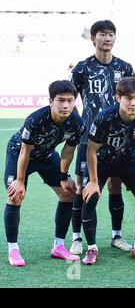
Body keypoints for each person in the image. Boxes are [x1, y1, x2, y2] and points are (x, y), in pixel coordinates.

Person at [70, 20, 135, 255]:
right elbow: (69, 97)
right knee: (82, 187)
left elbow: (133, 99)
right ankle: (77, 238)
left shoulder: (125, 67)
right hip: (90, 140)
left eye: (111, 34)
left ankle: (117, 236)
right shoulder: (82, 68)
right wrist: (81, 123)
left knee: (115, 186)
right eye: (102, 34)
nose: (107, 38)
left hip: (118, 140)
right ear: (93, 38)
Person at [4, 80, 85, 267]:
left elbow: (67, 151)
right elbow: (25, 151)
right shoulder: (36, 119)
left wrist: (64, 177)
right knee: (15, 196)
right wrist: (20, 181)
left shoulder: (76, 123)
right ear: (51, 101)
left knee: (68, 193)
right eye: (60, 100)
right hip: (20, 154)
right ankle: (13, 249)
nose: (65, 105)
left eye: (70, 100)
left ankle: (58, 246)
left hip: (47, 155)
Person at [80, 77, 135, 265]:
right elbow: (91, 150)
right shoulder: (104, 118)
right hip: (102, 162)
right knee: (90, 197)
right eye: (128, 98)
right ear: (118, 97)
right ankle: (91, 248)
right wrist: (92, 180)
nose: (133, 103)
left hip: (129, 161)